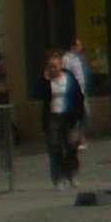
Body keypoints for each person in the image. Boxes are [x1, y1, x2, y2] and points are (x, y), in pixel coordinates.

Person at [39, 48, 86, 189]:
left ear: (60, 65)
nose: (53, 69)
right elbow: (38, 94)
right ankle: (58, 179)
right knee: (55, 149)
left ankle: (71, 174)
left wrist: (80, 115)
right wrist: (44, 79)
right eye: (50, 67)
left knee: (72, 146)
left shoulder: (69, 78)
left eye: (55, 66)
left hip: (69, 116)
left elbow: (78, 97)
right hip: (53, 116)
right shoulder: (47, 81)